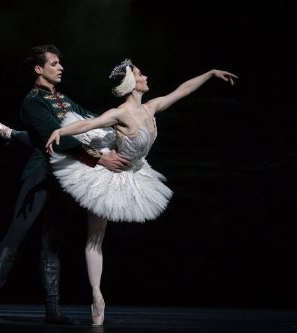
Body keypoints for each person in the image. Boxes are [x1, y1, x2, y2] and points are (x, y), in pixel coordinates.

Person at [44, 58, 238, 325]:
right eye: (140, 73)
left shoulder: (150, 107)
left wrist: (210, 72)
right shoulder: (121, 113)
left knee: (99, 238)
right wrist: (60, 130)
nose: (145, 76)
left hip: (134, 172)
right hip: (107, 173)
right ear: (132, 83)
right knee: (95, 238)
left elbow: (182, 90)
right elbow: (89, 125)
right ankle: (97, 296)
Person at [0, 44, 129, 325]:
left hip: (66, 178)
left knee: (52, 243)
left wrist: (121, 122)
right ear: (39, 69)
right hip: (41, 175)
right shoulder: (33, 101)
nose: (61, 67)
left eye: (60, 63)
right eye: (55, 63)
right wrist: (99, 160)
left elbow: (88, 120)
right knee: (15, 238)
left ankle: (53, 311)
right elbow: (60, 141)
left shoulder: (63, 99)